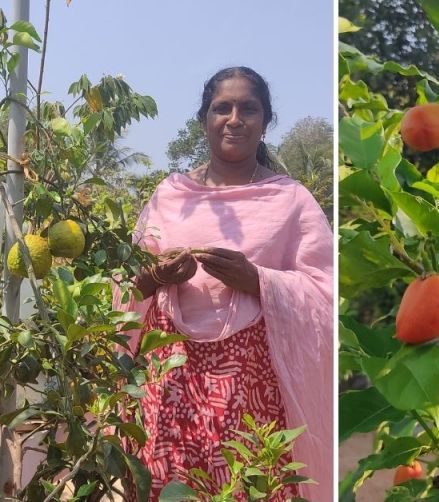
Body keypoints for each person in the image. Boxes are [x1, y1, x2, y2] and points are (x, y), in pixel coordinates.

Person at [113, 66, 332, 501]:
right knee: (169, 486)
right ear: (204, 120)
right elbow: (126, 287)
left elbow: (324, 292)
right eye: (222, 108)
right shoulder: (170, 195)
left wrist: (256, 280)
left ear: (265, 120)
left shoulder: (291, 200)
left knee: (251, 485)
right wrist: (157, 277)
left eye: (248, 108)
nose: (235, 118)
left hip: (254, 389)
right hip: (171, 382)